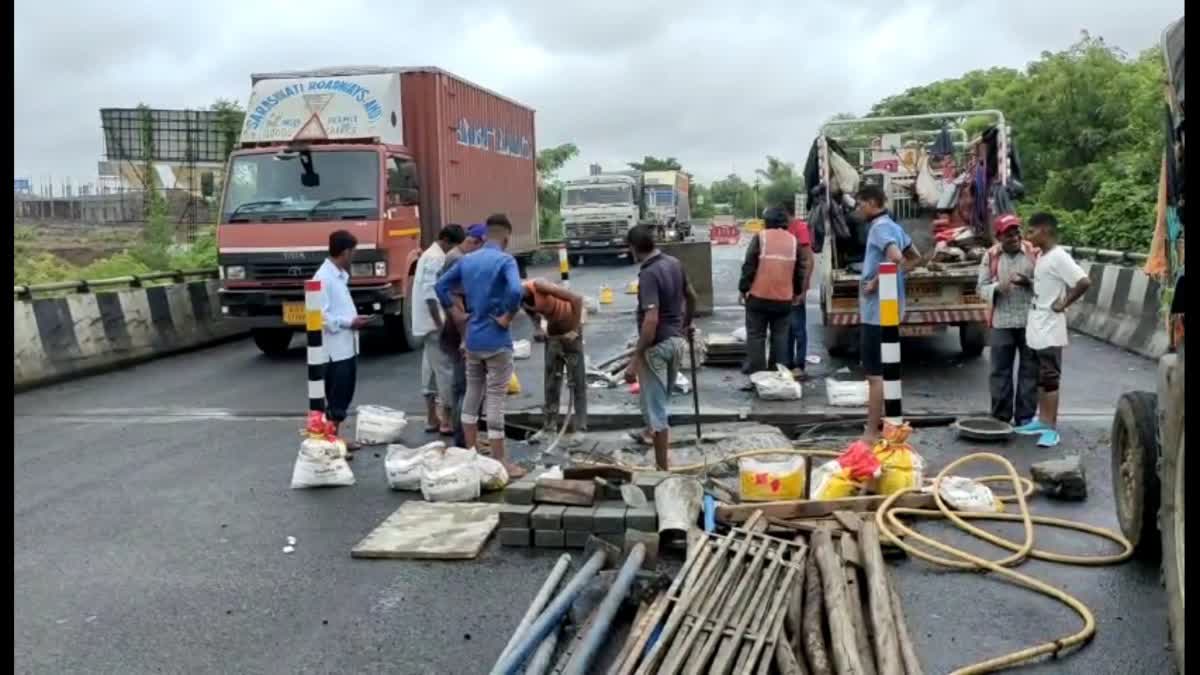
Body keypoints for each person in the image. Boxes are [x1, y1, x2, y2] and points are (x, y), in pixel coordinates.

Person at [435, 213, 526, 478]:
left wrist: (456, 312)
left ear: (485, 236)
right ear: (506, 238)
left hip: (472, 338)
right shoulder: (505, 260)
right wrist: (507, 316)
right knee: (496, 397)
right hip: (497, 340)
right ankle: (500, 461)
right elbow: (516, 291)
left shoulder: (468, 260)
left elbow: (441, 286)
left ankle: (470, 454)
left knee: (473, 393)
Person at [1014, 212, 1091, 448]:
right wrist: (1028, 283)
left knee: (1049, 378)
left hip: (1050, 324)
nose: (1028, 236)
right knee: (1040, 375)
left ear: (1045, 231)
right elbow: (1046, 284)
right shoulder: (1043, 256)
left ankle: (1051, 427)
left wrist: (1064, 303)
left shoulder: (1059, 256)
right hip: (1037, 321)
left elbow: (1083, 281)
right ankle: (1042, 420)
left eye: (1031, 231)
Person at [855, 185, 924, 442]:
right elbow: (914, 257)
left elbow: (895, 257)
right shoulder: (893, 225)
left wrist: (875, 282)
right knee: (888, 371)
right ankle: (887, 427)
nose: (859, 209)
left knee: (875, 375)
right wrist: (894, 277)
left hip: (877, 312)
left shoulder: (880, 227)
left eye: (861, 204)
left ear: (873, 202)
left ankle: (871, 432)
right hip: (891, 308)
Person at [624, 224, 696, 470]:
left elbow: (651, 320)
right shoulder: (674, 264)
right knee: (659, 403)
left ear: (633, 249)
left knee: (657, 412)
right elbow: (692, 295)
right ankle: (650, 435)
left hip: (656, 348)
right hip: (676, 343)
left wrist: (635, 358)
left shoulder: (648, 274)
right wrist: (686, 325)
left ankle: (662, 470)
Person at [977, 214, 1039, 427]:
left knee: (1029, 371)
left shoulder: (1034, 252)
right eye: (1008, 234)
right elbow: (980, 287)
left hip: (1029, 321)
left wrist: (1028, 282)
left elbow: (1046, 282)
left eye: (1016, 232)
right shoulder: (991, 256)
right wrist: (997, 288)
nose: (1014, 237)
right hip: (1001, 321)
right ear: (999, 237)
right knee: (999, 371)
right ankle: (1001, 417)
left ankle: (1025, 418)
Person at [313, 230, 371, 450]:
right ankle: (331, 442)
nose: (353, 256)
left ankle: (336, 438)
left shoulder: (338, 276)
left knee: (344, 393)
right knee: (337, 394)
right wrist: (348, 322)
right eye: (353, 252)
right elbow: (319, 315)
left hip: (346, 345)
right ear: (346, 252)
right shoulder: (323, 278)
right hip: (334, 349)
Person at [738, 206, 805, 375]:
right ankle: (776, 374)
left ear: (766, 222)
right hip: (783, 301)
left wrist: (743, 289)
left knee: (756, 336)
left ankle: (758, 375)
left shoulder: (761, 238)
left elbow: (749, 265)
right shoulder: (793, 241)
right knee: (780, 337)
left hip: (758, 298)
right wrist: (797, 293)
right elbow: (799, 271)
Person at [522, 278, 587, 446]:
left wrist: (575, 329)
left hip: (570, 332)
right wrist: (537, 328)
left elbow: (576, 299)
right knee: (551, 383)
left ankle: (580, 429)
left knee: (576, 382)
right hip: (553, 334)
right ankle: (549, 427)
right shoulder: (518, 298)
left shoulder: (539, 286)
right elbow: (531, 313)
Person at [413, 224, 465, 435]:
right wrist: (441, 324)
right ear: (447, 241)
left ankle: (431, 418)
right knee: (445, 370)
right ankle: (447, 420)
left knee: (430, 369)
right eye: (454, 246)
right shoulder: (436, 258)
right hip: (435, 324)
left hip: (425, 324)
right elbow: (430, 294)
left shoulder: (428, 254)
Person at [438, 223, 486, 449]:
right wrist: (465, 335)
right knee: (466, 388)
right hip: (460, 333)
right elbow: (451, 296)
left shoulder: (455, 256)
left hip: (454, 330)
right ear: (476, 242)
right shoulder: (459, 260)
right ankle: (464, 440)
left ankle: (465, 438)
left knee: (463, 387)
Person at [784, 202, 816, 378]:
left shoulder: (799, 228)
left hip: (796, 287)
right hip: (783, 288)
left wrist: (803, 290)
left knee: (797, 328)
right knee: (787, 328)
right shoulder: (783, 229)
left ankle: (799, 364)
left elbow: (808, 261)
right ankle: (788, 364)